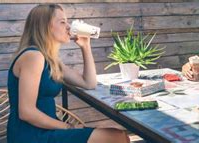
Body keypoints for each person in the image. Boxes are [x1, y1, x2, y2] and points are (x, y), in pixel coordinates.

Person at [7, 4, 129, 143]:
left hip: (47, 128)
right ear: (45, 27)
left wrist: (85, 46)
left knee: (121, 136)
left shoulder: (50, 59)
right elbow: (26, 112)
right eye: (62, 22)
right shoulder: (34, 57)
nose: (69, 27)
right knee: (116, 137)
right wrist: (68, 127)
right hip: (31, 135)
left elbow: (89, 83)